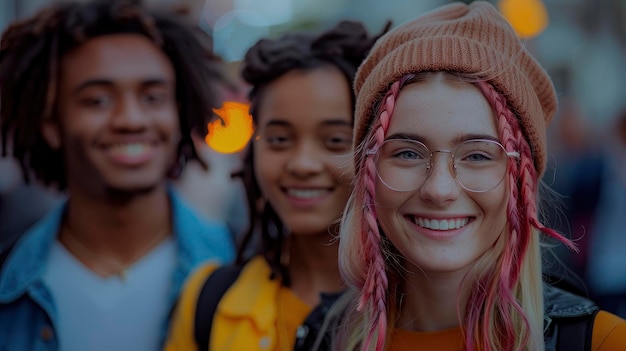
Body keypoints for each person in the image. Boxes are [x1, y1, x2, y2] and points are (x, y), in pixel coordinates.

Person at [329, 2, 626, 351]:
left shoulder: (604, 341)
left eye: (477, 155)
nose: (439, 189)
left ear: (521, 181)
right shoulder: (320, 335)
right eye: (407, 153)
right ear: (369, 172)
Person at [0, 0, 235, 350]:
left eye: (153, 98)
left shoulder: (244, 270)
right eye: (98, 101)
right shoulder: (8, 282)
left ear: (179, 112)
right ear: (51, 123)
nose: (131, 120)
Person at [165, 20, 388, 351]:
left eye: (335, 140)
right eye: (280, 139)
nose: (302, 164)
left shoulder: (425, 310)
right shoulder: (207, 300)